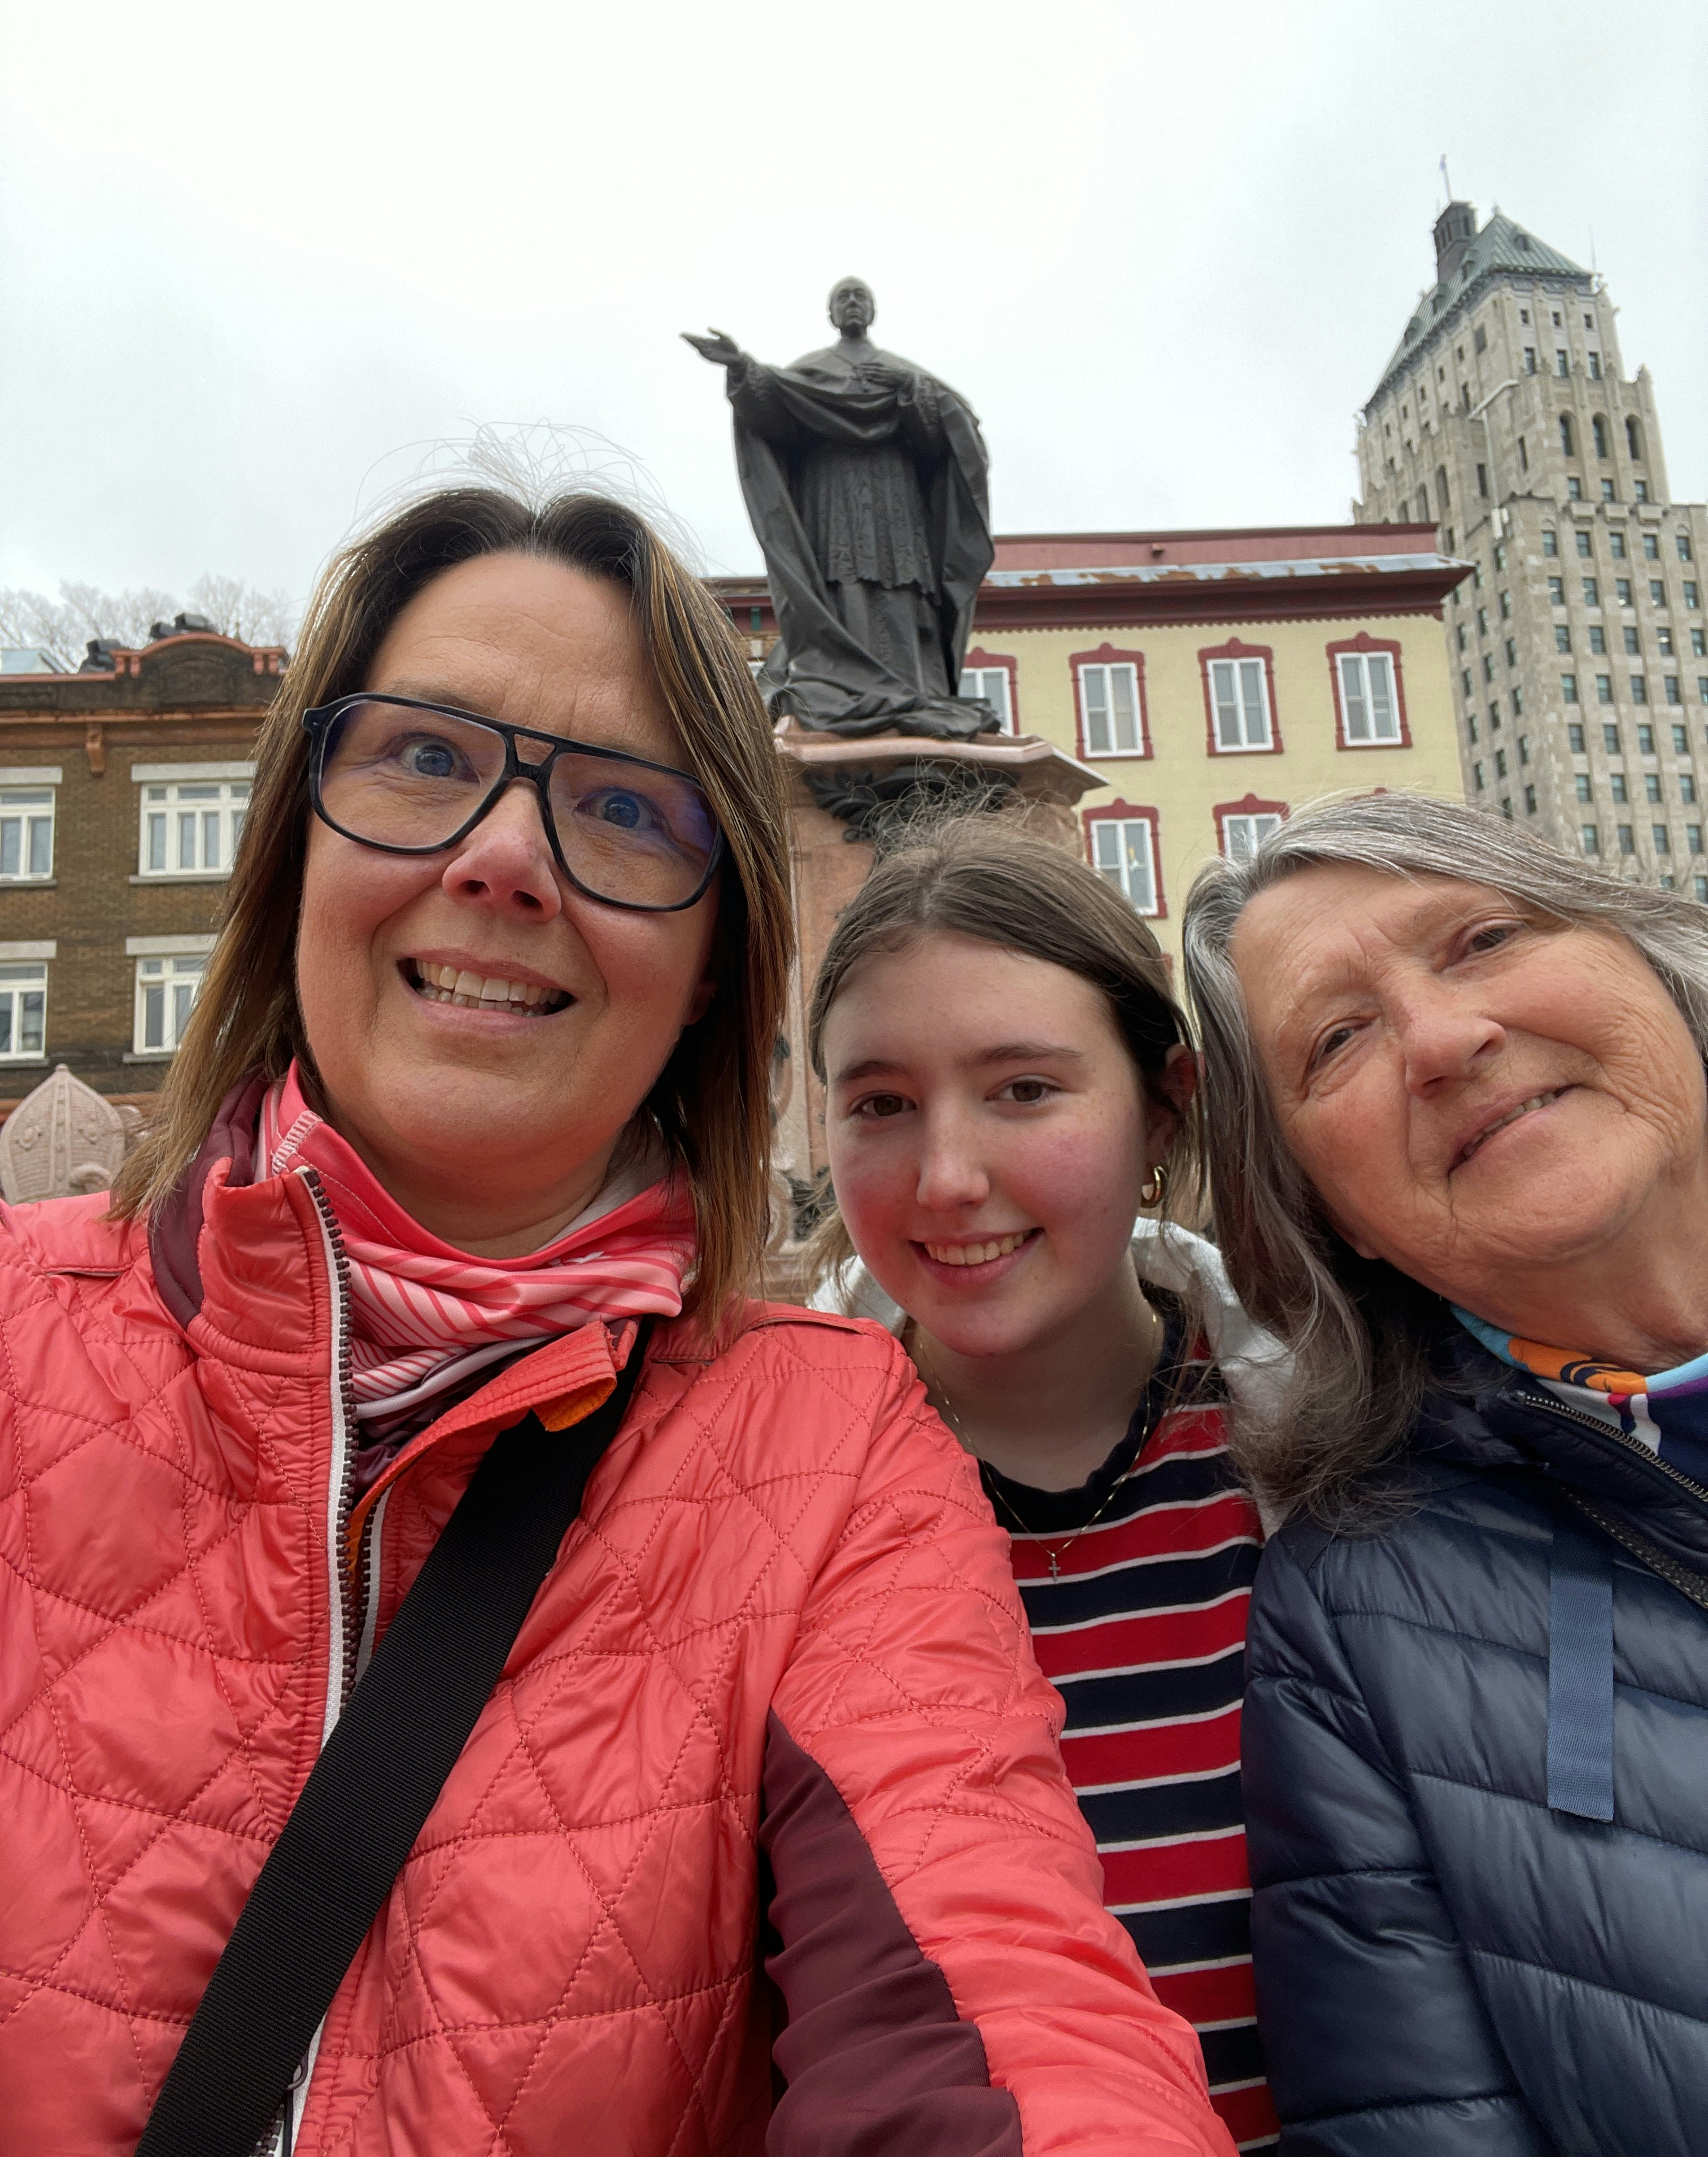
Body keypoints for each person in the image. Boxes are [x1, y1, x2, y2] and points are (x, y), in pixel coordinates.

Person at [0, 486, 1237, 2157]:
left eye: (626, 809)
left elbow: (997, 1996)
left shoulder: (827, 1447)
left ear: (718, 962)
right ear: (296, 836)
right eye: (425, 759)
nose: (503, 860)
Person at [1182, 790, 1708, 2155]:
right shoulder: (1356, 1632)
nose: (1444, 1038)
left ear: (1650, 960)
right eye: (1338, 1040)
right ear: (1319, 1211)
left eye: (1482, 939)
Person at [809, 818, 1284, 2153]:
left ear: (1163, 1107)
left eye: (1024, 1090)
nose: (948, 1178)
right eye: (882, 1104)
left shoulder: (1336, 1448)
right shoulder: (769, 1503)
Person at [683, 277, 997, 739]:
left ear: (871, 312)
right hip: (831, 499)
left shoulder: (903, 371)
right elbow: (772, 409)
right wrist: (741, 368)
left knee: (901, 588)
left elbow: (950, 437)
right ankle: (839, 683)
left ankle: (913, 689)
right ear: (832, 314)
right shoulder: (811, 371)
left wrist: (910, 391)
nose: (852, 304)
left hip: (895, 502)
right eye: (843, 299)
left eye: (860, 298)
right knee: (841, 584)